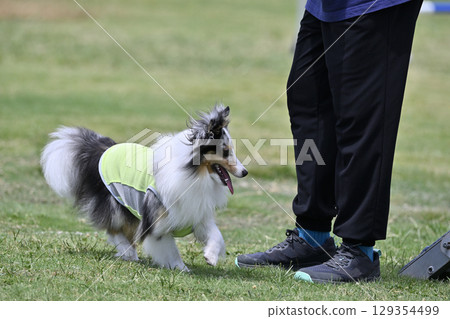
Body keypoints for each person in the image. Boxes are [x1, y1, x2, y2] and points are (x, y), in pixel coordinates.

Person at [236, 0, 424, 283]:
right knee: (307, 102)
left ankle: (360, 250)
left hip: (373, 6)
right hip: (323, 5)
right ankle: (313, 237)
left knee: (360, 116)